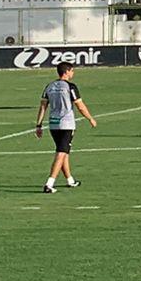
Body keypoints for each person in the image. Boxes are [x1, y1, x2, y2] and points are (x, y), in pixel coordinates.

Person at [36, 61, 96, 193]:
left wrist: (39, 124)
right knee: (61, 153)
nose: (73, 73)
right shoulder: (70, 87)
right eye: (72, 70)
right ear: (67, 72)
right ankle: (49, 183)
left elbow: (43, 106)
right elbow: (80, 105)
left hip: (53, 124)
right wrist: (90, 118)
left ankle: (70, 180)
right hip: (66, 124)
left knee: (63, 152)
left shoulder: (49, 86)